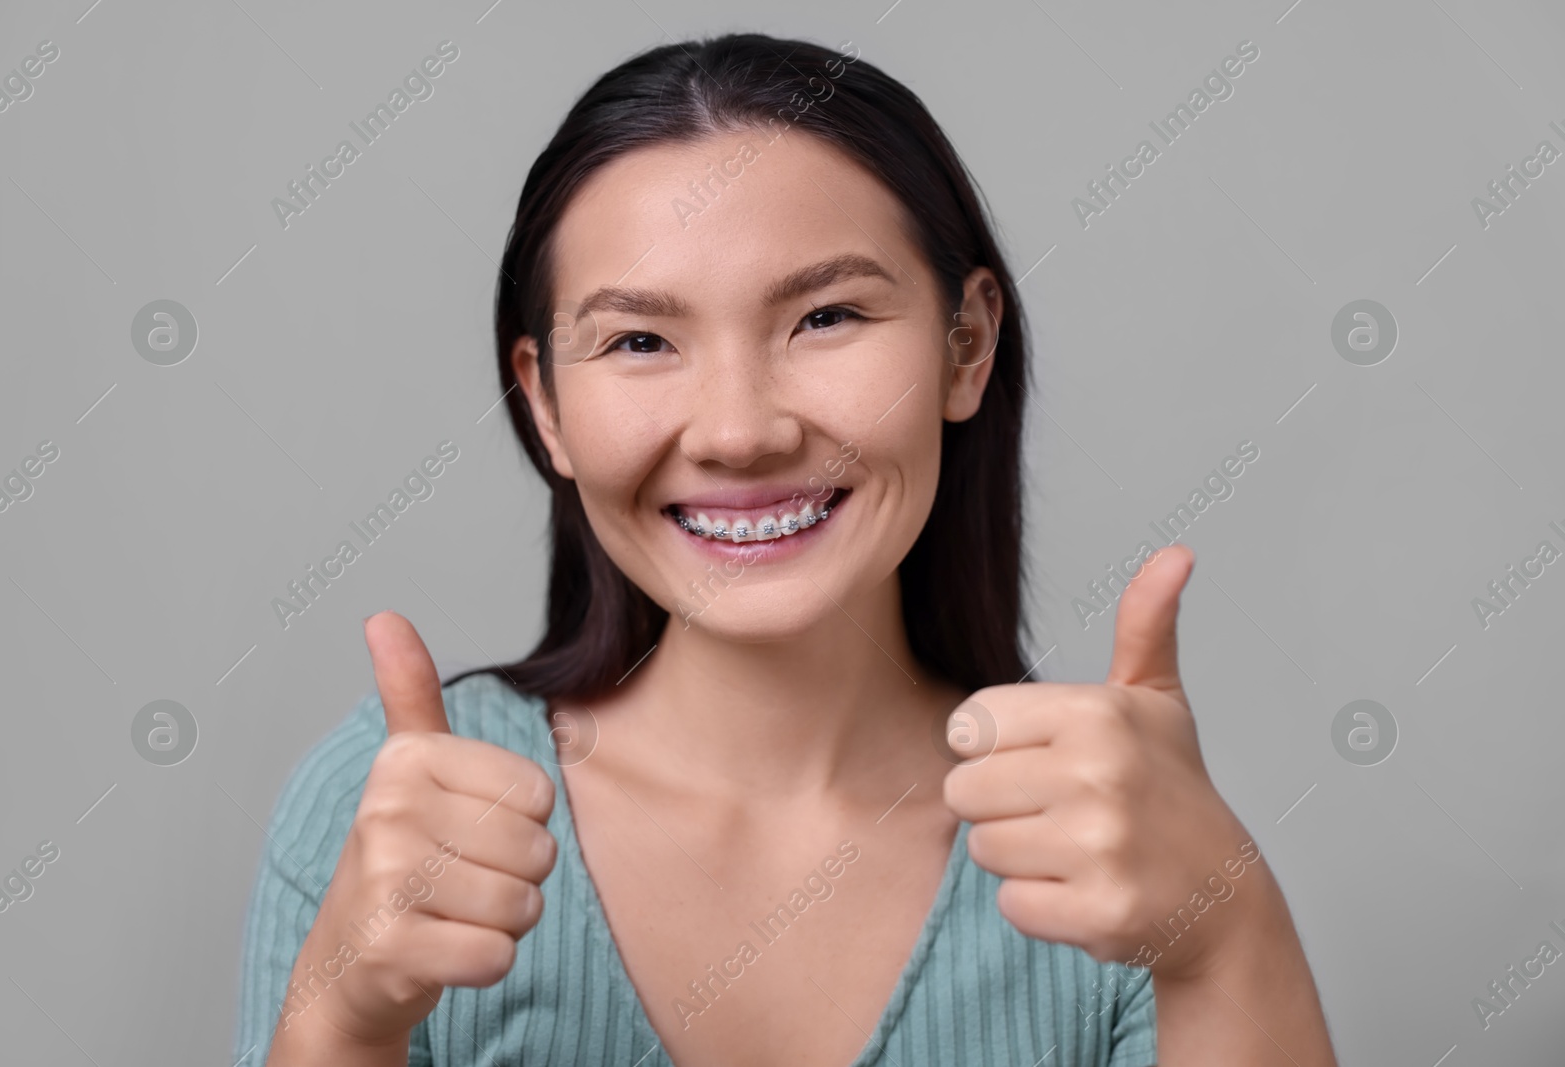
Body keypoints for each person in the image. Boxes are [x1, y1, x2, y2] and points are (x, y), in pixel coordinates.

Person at [235, 31, 1337, 1066]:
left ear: (966, 344)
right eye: (639, 340)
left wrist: (1228, 932)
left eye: (825, 318)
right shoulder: (388, 804)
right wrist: (341, 1018)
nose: (739, 429)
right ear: (546, 404)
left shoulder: (1111, 837)